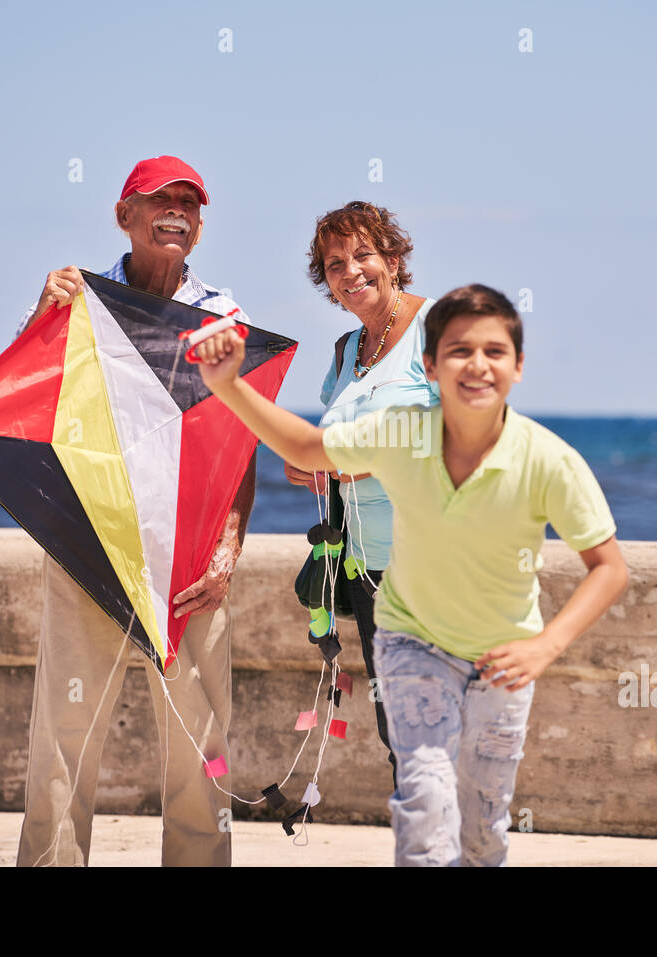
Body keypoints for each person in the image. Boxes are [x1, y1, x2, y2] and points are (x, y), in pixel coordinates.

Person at [191, 283, 629, 867]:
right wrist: (228, 385)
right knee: (423, 802)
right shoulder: (401, 432)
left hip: (504, 659)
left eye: (495, 352)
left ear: (518, 366)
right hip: (412, 647)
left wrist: (546, 646)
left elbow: (609, 569)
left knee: (483, 824)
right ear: (430, 363)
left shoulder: (547, 460)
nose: (477, 365)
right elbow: (307, 445)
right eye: (458, 351)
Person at [14, 155, 254, 867]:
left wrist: (227, 552)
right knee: (61, 740)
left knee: (200, 751)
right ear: (125, 216)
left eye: (191, 202)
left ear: (201, 225)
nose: (177, 211)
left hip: (188, 561)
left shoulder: (224, 315)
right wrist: (41, 313)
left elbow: (239, 447)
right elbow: (22, 399)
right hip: (89, 544)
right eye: (160, 200)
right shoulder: (79, 299)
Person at [287, 201, 438, 787]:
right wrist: (308, 465)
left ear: (394, 259)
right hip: (368, 569)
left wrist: (366, 467)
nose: (351, 272)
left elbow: (474, 438)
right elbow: (331, 444)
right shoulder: (348, 350)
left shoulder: (440, 329)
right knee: (397, 729)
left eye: (364, 255)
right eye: (334, 264)